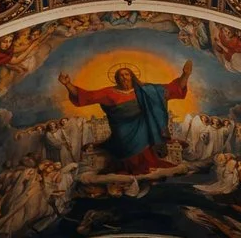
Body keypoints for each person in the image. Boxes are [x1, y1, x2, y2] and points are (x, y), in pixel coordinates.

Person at [62, 60, 192, 174]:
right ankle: (131, 166)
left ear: (132, 76)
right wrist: (68, 84)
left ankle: (147, 164)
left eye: (126, 74)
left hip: (142, 125)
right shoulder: (109, 93)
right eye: (120, 75)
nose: (124, 77)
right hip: (122, 128)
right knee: (123, 142)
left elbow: (172, 89)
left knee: (146, 130)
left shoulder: (146, 89)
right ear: (117, 79)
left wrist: (185, 75)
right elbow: (87, 97)